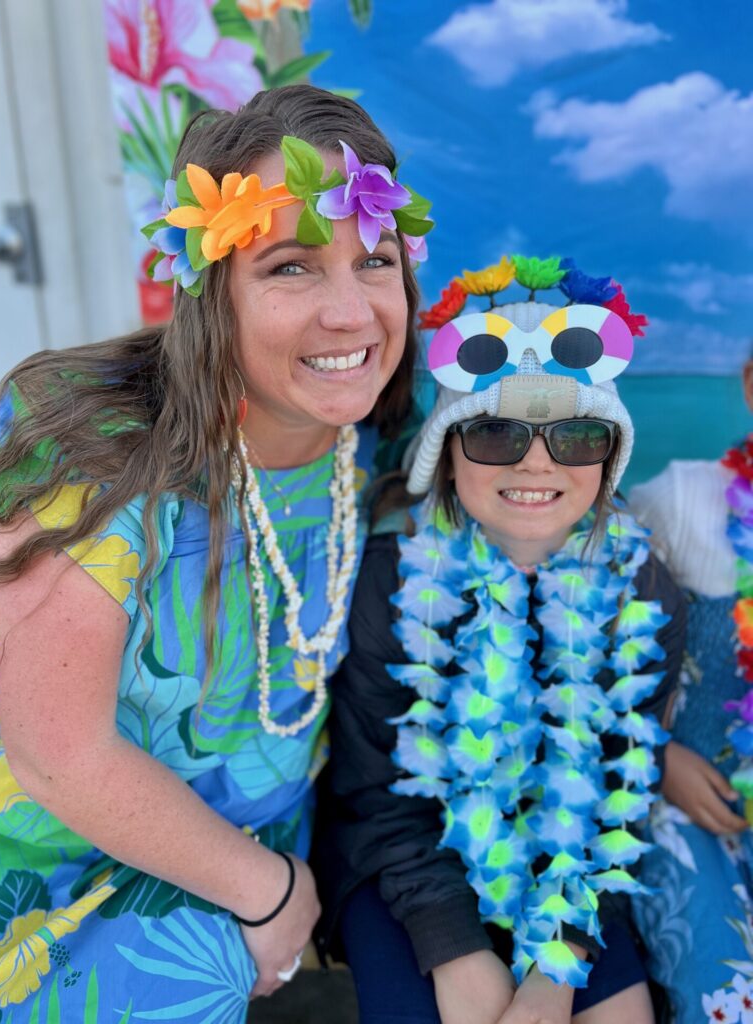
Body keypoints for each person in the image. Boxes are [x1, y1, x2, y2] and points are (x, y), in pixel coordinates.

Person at [0, 83, 432, 1021]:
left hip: (258, 841)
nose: (350, 313)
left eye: (374, 260)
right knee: (194, 973)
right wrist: (269, 892)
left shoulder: (387, 439)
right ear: (211, 291)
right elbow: (58, 753)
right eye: (290, 267)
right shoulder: (85, 443)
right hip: (49, 866)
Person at [314, 255, 686, 1024]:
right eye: (494, 432)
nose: (537, 461)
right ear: (448, 453)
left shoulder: (643, 593)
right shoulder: (390, 582)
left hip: (572, 875)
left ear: (608, 458)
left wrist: (557, 967)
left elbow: (621, 796)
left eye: (576, 435)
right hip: (404, 864)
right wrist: (457, 951)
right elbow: (378, 798)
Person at [628, 359, 753, 1022]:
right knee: (727, 1001)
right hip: (687, 802)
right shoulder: (678, 501)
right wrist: (658, 755)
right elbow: (598, 650)